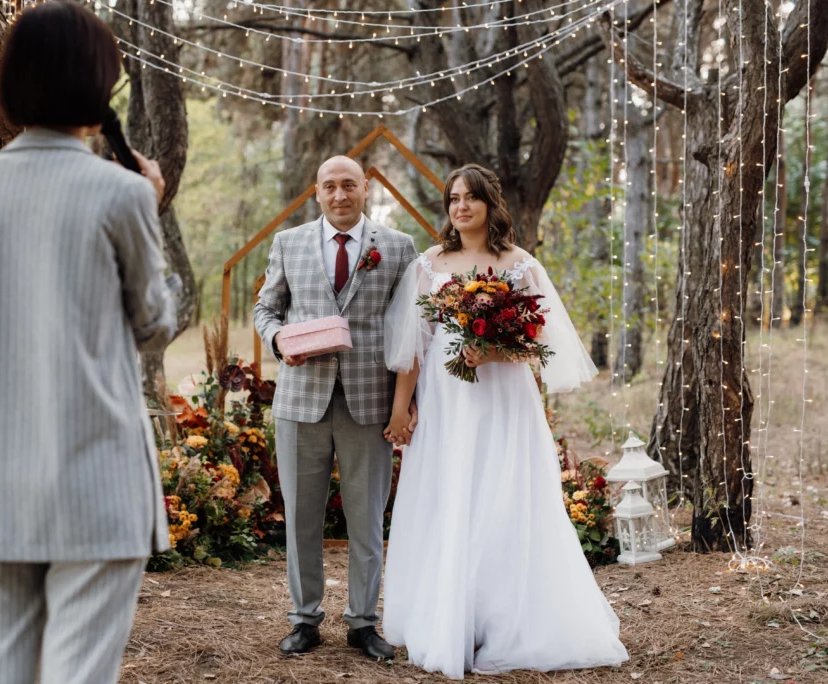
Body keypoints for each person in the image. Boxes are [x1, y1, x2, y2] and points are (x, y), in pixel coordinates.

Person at [0, 3, 177, 682]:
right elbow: (154, 325)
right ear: (97, 86)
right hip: (98, 489)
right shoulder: (121, 195)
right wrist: (147, 200)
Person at [380, 164, 629, 679]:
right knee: (449, 496)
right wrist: (402, 407)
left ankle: (507, 620)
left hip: (504, 403)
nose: (461, 207)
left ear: (491, 204)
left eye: (471, 198)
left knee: (503, 497)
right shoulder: (429, 265)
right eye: (453, 199)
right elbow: (416, 348)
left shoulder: (519, 266)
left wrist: (493, 353)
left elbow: (540, 348)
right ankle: (452, 617)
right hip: (448, 402)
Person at [253, 156, 417, 660]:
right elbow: (266, 308)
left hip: (370, 402)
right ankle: (304, 620)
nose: (340, 194)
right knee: (302, 516)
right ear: (317, 192)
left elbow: (411, 329)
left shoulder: (398, 247)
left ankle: (363, 623)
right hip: (301, 399)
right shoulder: (290, 242)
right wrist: (279, 338)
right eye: (331, 186)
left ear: (366, 188)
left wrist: (404, 406)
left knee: (366, 519)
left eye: (350, 185)